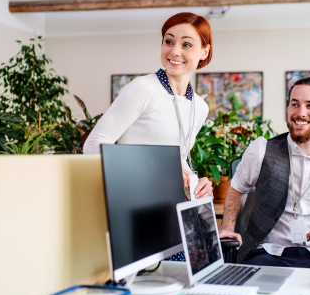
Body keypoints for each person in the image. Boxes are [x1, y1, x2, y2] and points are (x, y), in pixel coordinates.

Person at [218, 77, 310, 268]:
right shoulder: (261, 149)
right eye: (294, 104)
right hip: (268, 254)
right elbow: (237, 189)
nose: (300, 113)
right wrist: (226, 228)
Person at [83, 12, 213, 200]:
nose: (175, 51)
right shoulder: (143, 88)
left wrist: (197, 183)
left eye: (186, 44)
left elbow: (179, 159)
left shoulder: (200, 107)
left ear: (204, 51)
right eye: (169, 42)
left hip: (169, 203)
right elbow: (93, 145)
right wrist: (158, 167)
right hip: (131, 200)